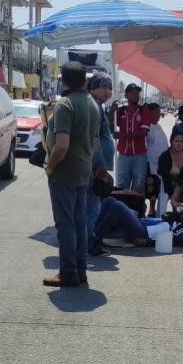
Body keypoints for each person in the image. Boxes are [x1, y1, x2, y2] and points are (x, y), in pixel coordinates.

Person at [43, 61, 100, 287]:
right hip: (83, 170)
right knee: (79, 222)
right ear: (84, 81)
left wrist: (51, 166)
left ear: (63, 80)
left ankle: (67, 272)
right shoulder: (92, 104)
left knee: (65, 223)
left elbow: (62, 145)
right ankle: (80, 269)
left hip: (64, 172)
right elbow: (94, 143)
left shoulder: (65, 104)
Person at [86, 73, 115, 257]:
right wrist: (100, 166)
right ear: (92, 87)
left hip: (94, 167)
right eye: (103, 86)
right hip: (95, 168)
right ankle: (89, 243)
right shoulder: (94, 107)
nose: (107, 91)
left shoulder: (98, 106)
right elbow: (94, 139)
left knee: (90, 208)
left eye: (109, 87)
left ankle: (88, 241)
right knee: (91, 209)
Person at [114, 83, 151, 192]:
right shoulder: (120, 111)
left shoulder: (144, 110)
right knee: (121, 185)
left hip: (139, 155)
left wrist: (122, 135)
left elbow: (143, 133)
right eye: (132, 93)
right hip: (123, 155)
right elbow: (110, 125)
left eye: (137, 93)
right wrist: (112, 110)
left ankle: (135, 209)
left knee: (139, 185)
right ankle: (122, 208)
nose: (135, 95)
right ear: (126, 95)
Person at [145, 103, 169, 216]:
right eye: (157, 112)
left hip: (161, 164)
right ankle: (151, 209)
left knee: (160, 189)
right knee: (152, 188)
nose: (159, 115)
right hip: (152, 163)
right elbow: (149, 138)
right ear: (150, 113)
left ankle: (157, 211)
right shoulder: (148, 126)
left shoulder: (158, 125)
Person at [158, 132, 183, 204]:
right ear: (171, 142)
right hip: (171, 186)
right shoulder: (165, 157)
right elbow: (164, 175)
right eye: (176, 141)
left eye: (181, 141)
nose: (179, 143)